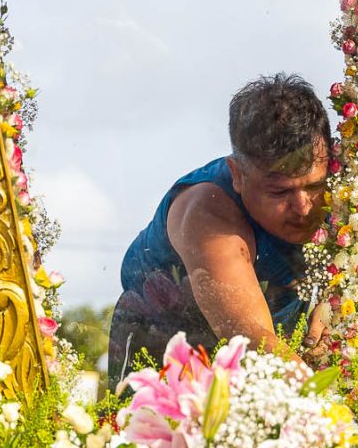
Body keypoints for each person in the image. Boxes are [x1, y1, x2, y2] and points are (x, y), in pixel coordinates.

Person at [107, 74, 330, 388]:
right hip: (164, 371)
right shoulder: (206, 216)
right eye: (280, 193)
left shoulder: (349, 178)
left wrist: (333, 300)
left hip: (277, 353)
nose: (304, 207)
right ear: (237, 175)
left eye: (315, 186)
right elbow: (252, 341)